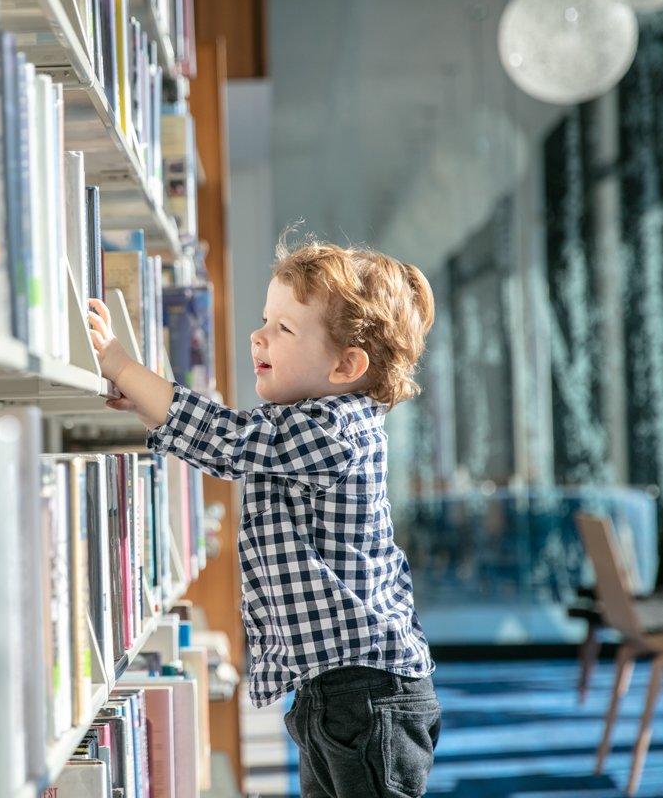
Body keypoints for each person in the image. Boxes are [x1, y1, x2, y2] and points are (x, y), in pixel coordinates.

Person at [86, 235, 441, 798]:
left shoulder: (331, 429)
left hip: (366, 695)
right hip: (332, 689)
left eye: (284, 329)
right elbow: (230, 443)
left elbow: (227, 439)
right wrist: (147, 400)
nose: (259, 336)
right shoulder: (306, 423)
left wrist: (123, 368)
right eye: (264, 319)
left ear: (347, 365)